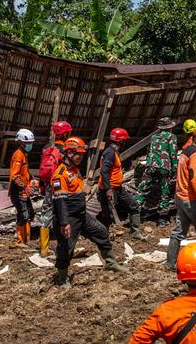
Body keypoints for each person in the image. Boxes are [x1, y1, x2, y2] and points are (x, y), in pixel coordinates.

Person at [51, 137, 126, 287]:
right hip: (69, 218)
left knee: (101, 232)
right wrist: (64, 222)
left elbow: (77, 189)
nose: (82, 157)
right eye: (79, 154)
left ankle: (110, 262)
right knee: (66, 248)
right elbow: (60, 201)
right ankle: (62, 278)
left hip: (81, 214)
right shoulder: (60, 174)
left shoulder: (75, 170)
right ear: (70, 153)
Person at [167, 127, 196, 269]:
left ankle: (170, 263)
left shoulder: (184, 153)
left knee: (178, 231)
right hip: (192, 197)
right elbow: (194, 178)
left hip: (181, 195)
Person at [37, 121, 72, 257]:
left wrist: (41, 185)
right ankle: (64, 245)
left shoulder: (47, 148)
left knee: (46, 213)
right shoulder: (67, 149)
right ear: (65, 133)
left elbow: (42, 168)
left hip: (48, 185)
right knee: (63, 213)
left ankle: (43, 248)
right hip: (61, 185)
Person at [98, 127, 142, 236]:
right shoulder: (110, 153)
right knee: (107, 215)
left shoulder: (114, 152)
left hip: (118, 187)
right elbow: (104, 171)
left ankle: (135, 233)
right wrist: (108, 189)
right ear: (121, 140)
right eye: (124, 140)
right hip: (110, 188)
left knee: (134, 205)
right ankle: (102, 236)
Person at [138, 117, 179, 214]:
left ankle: (135, 209)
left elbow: (148, 152)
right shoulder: (171, 136)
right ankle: (162, 216)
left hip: (151, 165)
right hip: (164, 167)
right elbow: (173, 154)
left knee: (143, 188)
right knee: (165, 190)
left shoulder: (153, 137)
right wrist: (174, 169)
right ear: (170, 127)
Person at [9, 129, 36, 247]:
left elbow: (24, 173)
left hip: (23, 190)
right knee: (23, 214)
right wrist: (25, 187)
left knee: (29, 213)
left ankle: (25, 239)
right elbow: (15, 176)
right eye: (28, 143)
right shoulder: (18, 155)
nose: (30, 145)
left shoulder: (24, 154)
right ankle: (20, 241)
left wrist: (32, 179)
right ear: (22, 143)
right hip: (18, 190)